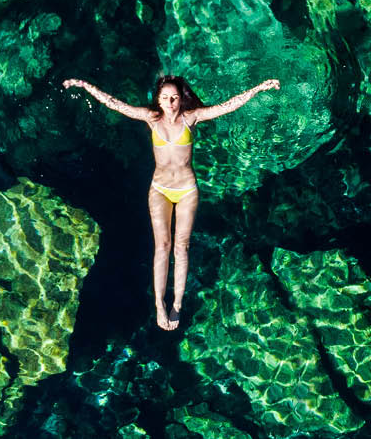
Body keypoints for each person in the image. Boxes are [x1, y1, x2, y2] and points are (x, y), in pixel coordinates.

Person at [63, 75, 281, 330]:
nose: (170, 102)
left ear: (181, 99)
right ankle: (159, 304)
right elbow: (115, 104)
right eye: (165, 97)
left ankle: (177, 303)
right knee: (162, 246)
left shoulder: (191, 118)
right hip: (160, 189)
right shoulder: (151, 118)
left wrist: (258, 87)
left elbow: (227, 106)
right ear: (158, 99)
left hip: (187, 190)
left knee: (182, 247)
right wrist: (85, 85)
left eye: (175, 97)